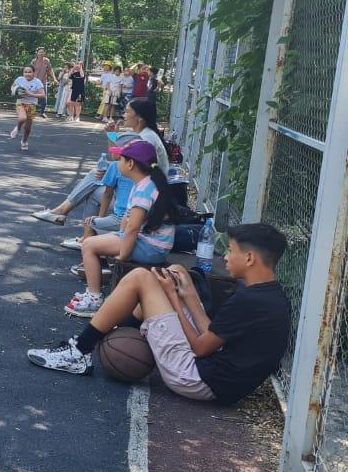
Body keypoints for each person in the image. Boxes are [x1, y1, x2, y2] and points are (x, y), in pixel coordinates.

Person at [28, 223, 290, 407]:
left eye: (231, 251)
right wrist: (188, 295)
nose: (226, 257)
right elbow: (213, 336)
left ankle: (79, 351)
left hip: (198, 380)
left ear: (250, 258)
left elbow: (200, 348)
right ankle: (114, 332)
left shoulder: (248, 300)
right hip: (217, 375)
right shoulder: (268, 294)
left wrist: (174, 298)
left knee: (141, 278)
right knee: (177, 271)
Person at [65, 140, 177, 317]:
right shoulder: (145, 183)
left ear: (130, 164)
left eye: (121, 159)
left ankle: (94, 298)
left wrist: (123, 254)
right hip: (151, 244)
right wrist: (119, 235)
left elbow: (133, 227)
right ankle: (92, 293)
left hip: (150, 248)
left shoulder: (144, 188)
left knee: (89, 245)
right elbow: (127, 219)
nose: (117, 162)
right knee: (98, 241)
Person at [9, 65, 46, 150]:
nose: (27, 74)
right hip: (21, 103)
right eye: (25, 72)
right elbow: (12, 87)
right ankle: (18, 128)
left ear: (33, 73)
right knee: (22, 118)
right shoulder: (19, 79)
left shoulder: (37, 82)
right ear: (23, 73)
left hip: (32, 105)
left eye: (29, 72)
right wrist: (15, 91)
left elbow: (42, 95)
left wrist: (30, 94)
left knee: (27, 128)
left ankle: (24, 141)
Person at [31, 47, 56, 119]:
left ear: (44, 53)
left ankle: (42, 112)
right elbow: (30, 71)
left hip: (43, 82)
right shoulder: (33, 61)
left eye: (42, 52)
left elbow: (50, 70)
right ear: (37, 53)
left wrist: (54, 79)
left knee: (44, 99)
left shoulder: (46, 61)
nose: (41, 53)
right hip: (34, 82)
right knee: (33, 98)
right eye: (40, 52)